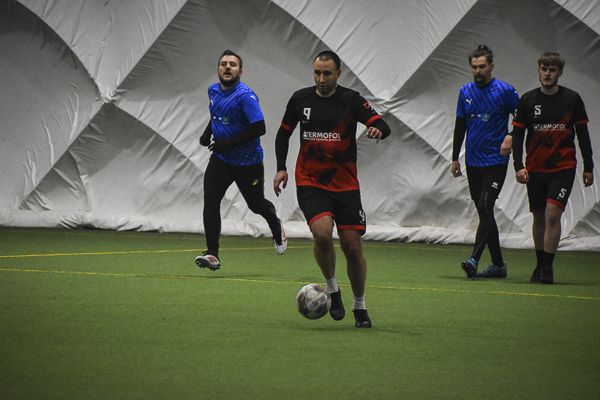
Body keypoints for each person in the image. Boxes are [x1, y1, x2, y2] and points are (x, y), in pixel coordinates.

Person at [273, 50, 391, 328]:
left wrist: (377, 130)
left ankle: (360, 306)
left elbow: (382, 124)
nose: (321, 78)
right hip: (310, 180)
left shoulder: (351, 100)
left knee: (352, 247)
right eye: (317, 72)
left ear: (338, 74)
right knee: (323, 233)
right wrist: (281, 167)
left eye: (327, 73)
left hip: (346, 184)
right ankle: (332, 289)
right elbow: (283, 133)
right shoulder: (300, 99)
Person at [195, 50, 287, 271]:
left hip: (248, 163)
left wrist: (227, 143)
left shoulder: (245, 96)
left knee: (256, 205)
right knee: (211, 201)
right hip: (221, 160)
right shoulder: (213, 90)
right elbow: (217, 114)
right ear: (218, 69)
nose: (228, 67)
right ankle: (212, 254)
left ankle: (275, 225)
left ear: (240, 72)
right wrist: (207, 134)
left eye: (233, 65)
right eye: (224, 64)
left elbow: (259, 128)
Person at [511, 52, 594, 284]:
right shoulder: (527, 100)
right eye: (544, 69)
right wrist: (518, 165)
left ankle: (548, 267)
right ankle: (539, 264)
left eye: (552, 69)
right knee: (538, 217)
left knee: (552, 214)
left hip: (563, 168)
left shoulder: (572, 99)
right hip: (535, 169)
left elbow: (583, 135)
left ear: (560, 72)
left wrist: (589, 166)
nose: (547, 73)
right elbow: (517, 136)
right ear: (539, 70)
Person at [451, 45, 520, 279]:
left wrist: (511, 135)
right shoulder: (465, 91)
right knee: (485, 211)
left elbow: (523, 118)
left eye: (482, 66)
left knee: (484, 206)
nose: (477, 71)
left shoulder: (505, 91)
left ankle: (474, 259)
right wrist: (454, 158)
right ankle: (498, 265)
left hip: (495, 161)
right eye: (474, 67)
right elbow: (460, 125)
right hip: (473, 162)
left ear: (491, 66)